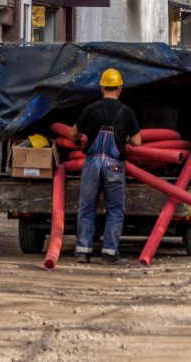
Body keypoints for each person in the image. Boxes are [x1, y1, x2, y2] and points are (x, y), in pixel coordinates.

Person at [69, 68, 141, 263]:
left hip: (92, 163)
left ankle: (83, 251)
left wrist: (80, 139)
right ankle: (109, 252)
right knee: (115, 209)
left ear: (101, 87)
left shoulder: (90, 109)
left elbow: (72, 134)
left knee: (86, 207)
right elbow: (137, 141)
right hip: (114, 165)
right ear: (119, 88)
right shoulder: (126, 112)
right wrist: (125, 137)